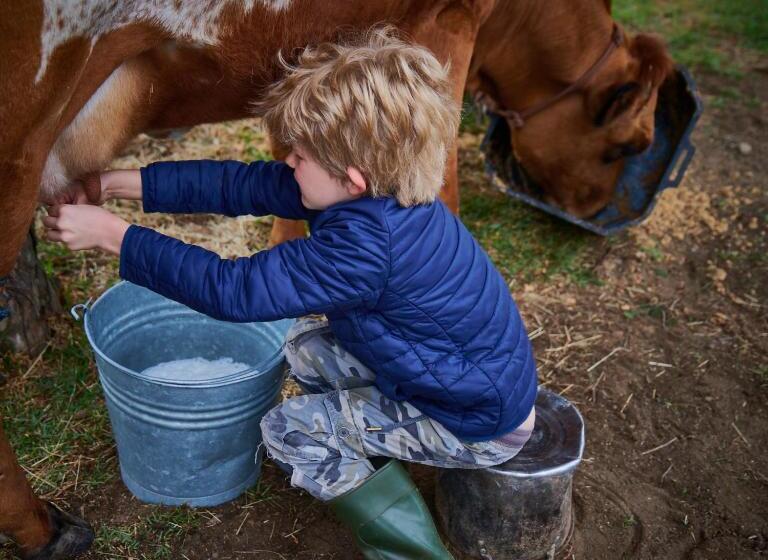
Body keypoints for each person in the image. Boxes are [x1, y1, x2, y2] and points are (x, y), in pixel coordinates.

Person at [43, 27, 538, 559]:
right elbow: (238, 186)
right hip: (459, 379)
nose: (289, 163)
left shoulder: (366, 246)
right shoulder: (379, 189)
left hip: (474, 423)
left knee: (288, 430)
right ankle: (371, 442)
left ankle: (412, 551)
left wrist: (114, 237)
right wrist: (113, 184)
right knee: (303, 345)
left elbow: (234, 291)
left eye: (299, 155)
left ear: (352, 177)